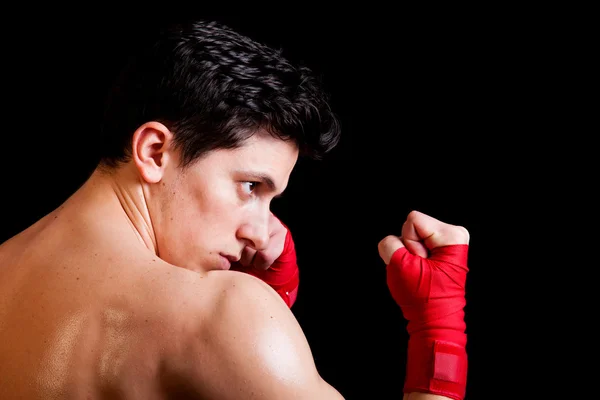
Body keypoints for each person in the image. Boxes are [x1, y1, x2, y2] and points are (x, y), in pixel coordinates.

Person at [0, 20, 470, 399]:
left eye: (272, 200)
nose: (263, 232)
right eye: (250, 186)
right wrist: (438, 331)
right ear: (155, 151)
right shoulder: (225, 316)